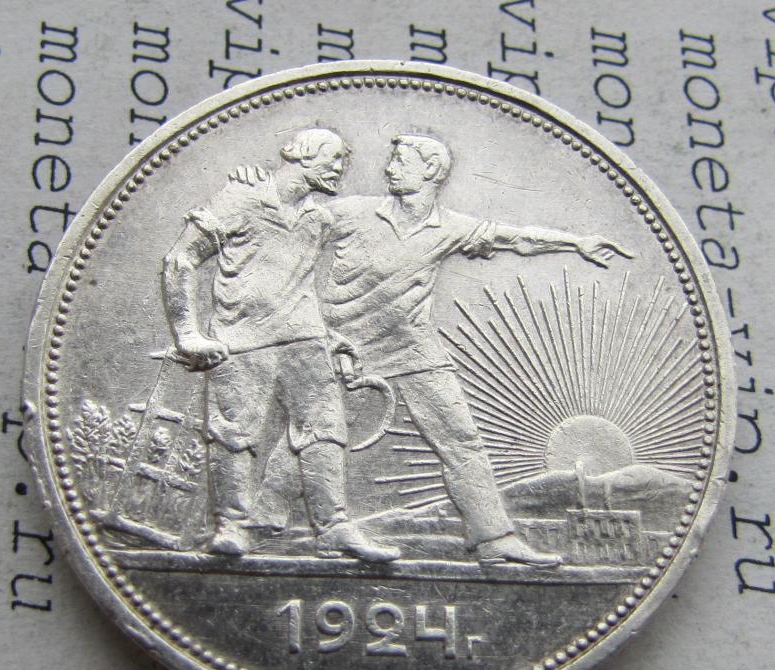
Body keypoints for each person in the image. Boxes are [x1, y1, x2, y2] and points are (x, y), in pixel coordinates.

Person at [236, 133, 632, 566]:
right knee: (314, 436)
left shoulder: (450, 227)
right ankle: (263, 522)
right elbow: (285, 222)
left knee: (461, 439)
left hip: (414, 349)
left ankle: (494, 539)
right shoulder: (352, 212)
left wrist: (575, 243)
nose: (389, 168)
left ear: (430, 171)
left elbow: (516, 238)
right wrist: (255, 185)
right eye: (391, 160)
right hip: (343, 349)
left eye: (400, 161)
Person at [161, 128, 400, 562]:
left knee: (326, 431)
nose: (339, 170)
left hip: (306, 341)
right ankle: (231, 525)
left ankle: (332, 527)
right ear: (302, 156)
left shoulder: (319, 219)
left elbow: (294, 284)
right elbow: (181, 259)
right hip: (241, 341)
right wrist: (187, 333)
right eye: (333, 160)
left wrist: (327, 335)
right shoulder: (240, 197)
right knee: (234, 433)